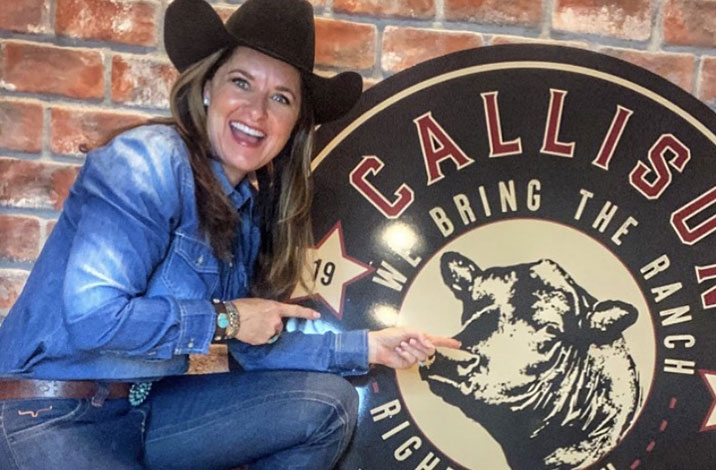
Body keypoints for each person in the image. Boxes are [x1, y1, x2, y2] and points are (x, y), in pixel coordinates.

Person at [0, 0, 460, 469]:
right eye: (242, 83)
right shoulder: (148, 161)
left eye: (281, 98)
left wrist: (370, 346)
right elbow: (93, 318)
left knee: (326, 404)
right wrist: (227, 319)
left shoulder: (246, 213)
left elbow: (250, 349)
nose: (257, 112)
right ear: (206, 89)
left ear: (294, 126)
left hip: (140, 412)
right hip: (48, 410)